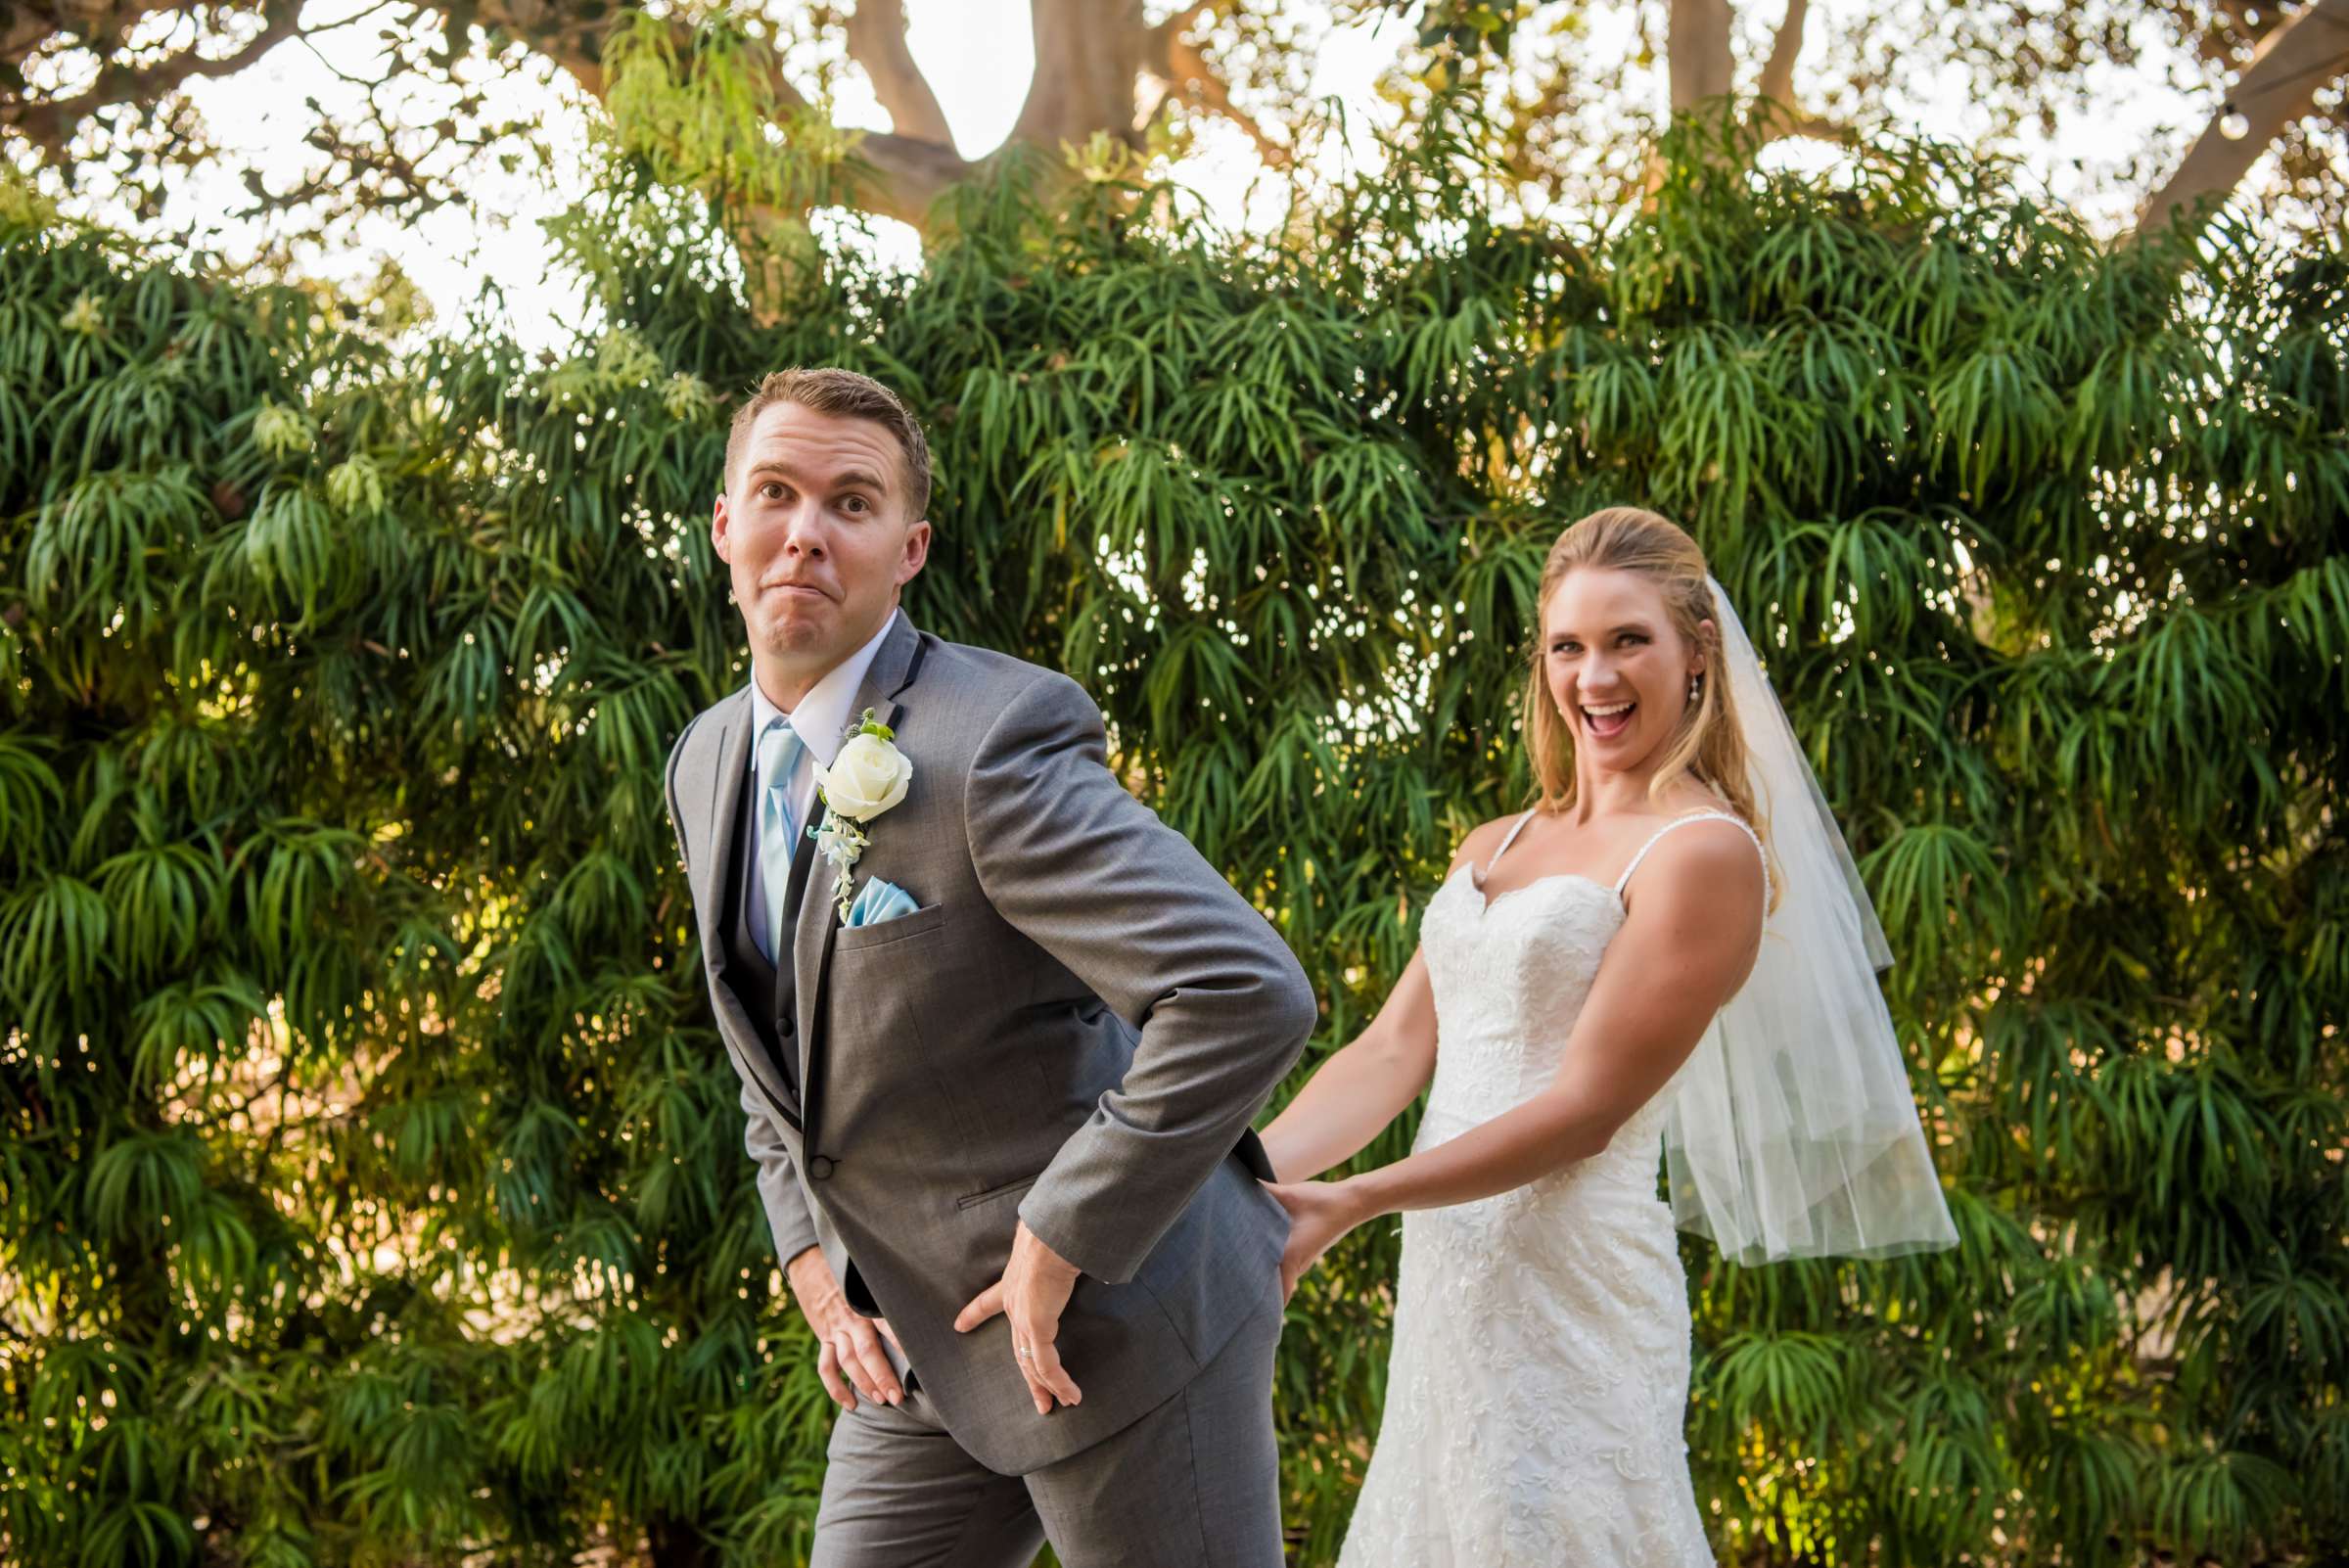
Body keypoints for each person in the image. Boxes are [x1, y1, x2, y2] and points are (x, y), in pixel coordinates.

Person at [662, 367, 1315, 1567]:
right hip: (918, 1343)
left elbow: (1243, 990)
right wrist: (810, 1261)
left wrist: (1061, 1236)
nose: (804, 532)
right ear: (723, 525)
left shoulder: (994, 742)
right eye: (775, 493)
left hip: (1121, 1324)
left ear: (907, 550)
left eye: (850, 504)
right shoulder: (705, 760)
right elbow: (772, 1050)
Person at [1259, 505, 1958, 1566]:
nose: (1596, 676)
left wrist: (1352, 1202)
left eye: (1629, 640)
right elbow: (1393, 1053)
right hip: (1453, 1282)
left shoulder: (1704, 853)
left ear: (1695, 653)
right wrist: (1246, 1177)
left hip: (1575, 1284)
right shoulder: (1501, 840)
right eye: (1568, 647)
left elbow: (1586, 1112)